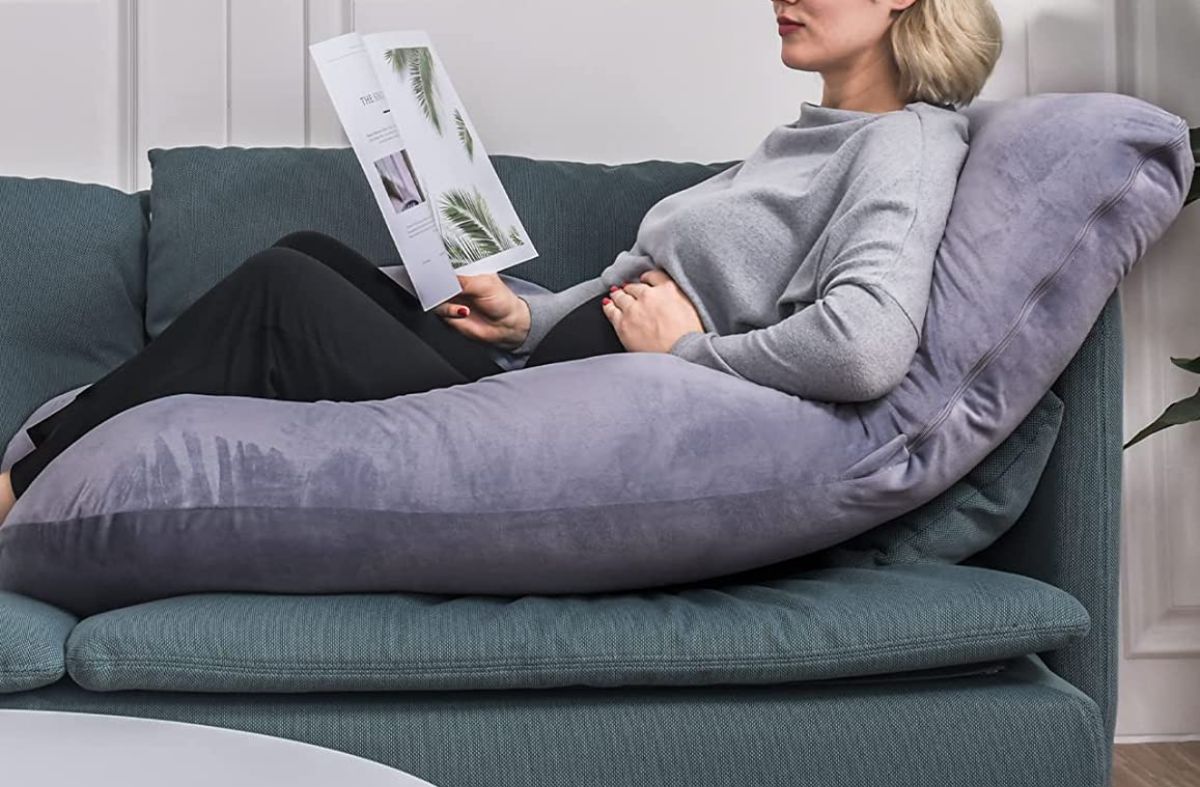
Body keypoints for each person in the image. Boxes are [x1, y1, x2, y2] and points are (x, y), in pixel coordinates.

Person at [0, 0, 1003, 525]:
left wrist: (693, 350)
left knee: (282, 294)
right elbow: (648, 285)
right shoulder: (813, 133)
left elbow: (866, 347)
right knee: (306, 253)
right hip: (540, 378)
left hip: (564, 427)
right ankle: (61, 457)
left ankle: (20, 489)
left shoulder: (902, 147)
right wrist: (527, 316)